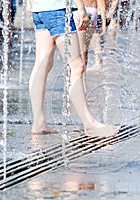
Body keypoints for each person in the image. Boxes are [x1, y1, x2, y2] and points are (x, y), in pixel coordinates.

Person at [29, 0, 120, 137]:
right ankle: (90, 124)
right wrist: (80, 6)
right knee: (77, 66)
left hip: (40, 9)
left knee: (42, 64)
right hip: (57, 10)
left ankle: (38, 122)